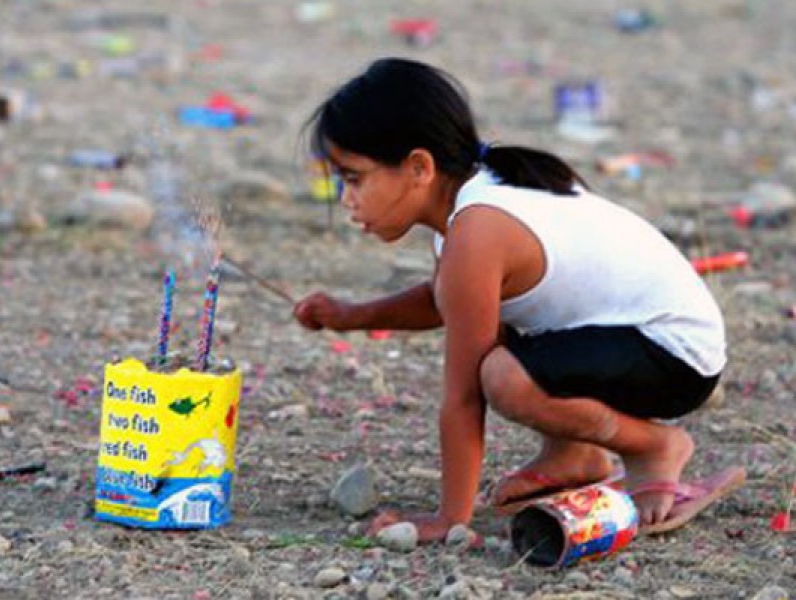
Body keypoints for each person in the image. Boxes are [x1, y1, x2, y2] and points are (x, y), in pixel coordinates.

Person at [294, 57, 744, 542]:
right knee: (519, 338)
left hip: (674, 355)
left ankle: (655, 446)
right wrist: (350, 315)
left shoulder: (478, 230)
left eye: (355, 178)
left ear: (419, 167)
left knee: (502, 377)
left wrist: (450, 519)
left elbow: (463, 397)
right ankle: (574, 455)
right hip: (630, 338)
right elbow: (446, 299)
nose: (346, 198)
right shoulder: (474, 197)